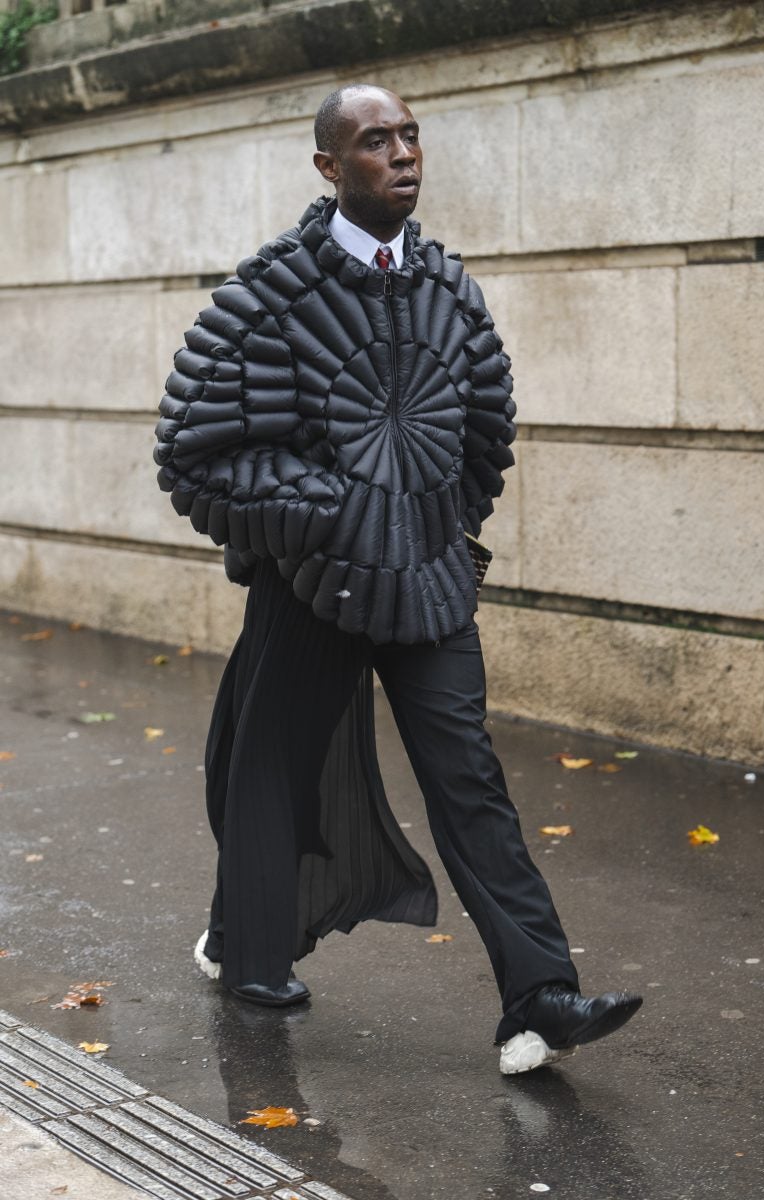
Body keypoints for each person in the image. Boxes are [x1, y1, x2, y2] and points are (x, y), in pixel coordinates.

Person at [154, 83, 642, 1074]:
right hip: (311, 587)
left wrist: (432, 523)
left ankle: (537, 997)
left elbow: (481, 428)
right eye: (375, 142)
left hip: (426, 579)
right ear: (330, 168)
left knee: (469, 779)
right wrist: (325, 513)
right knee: (273, 774)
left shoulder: (447, 289)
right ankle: (248, 947)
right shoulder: (271, 292)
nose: (403, 154)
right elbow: (193, 453)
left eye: (410, 136)